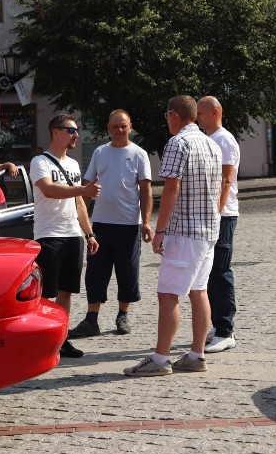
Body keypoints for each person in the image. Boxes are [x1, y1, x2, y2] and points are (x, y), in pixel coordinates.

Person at [124, 95, 222, 377]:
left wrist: (161, 230)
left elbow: (171, 189)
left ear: (173, 115)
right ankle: (196, 354)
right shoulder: (211, 143)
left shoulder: (178, 143)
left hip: (184, 231)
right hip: (207, 231)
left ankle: (160, 358)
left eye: (167, 115)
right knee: (198, 291)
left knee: (168, 294)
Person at [68, 109, 153, 339]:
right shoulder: (100, 152)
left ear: (130, 127)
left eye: (123, 126)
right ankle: (91, 319)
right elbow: (87, 185)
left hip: (128, 225)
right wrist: (80, 215)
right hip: (101, 224)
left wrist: (146, 222)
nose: (119, 130)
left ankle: (122, 315)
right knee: (95, 272)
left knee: (128, 273)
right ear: (108, 128)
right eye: (115, 126)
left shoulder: (138, 154)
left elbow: (146, 190)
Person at [30, 113, 101, 358]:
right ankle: (42, 339)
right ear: (56, 132)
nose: (76, 135)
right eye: (71, 130)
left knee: (66, 291)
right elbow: (49, 190)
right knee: (46, 293)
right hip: (49, 235)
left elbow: (79, 202)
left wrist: (89, 233)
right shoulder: (40, 162)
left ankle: (61, 339)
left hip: (73, 235)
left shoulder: (72, 164)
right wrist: (83, 188)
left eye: (77, 130)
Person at [196, 95, 241, 353]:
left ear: (215, 112)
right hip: (215, 212)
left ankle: (226, 330)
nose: (198, 118)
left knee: (221, 270)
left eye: (201, 113)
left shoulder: (223, 139)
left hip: (222, 214)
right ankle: (217, 324)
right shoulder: (212, 139)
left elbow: (225, 181)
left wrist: (216, 211)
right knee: (211, 271)